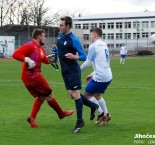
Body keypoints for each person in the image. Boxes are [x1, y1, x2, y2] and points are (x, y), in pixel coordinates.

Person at [12, 28, 74, 128]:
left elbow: (44, 60)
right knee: (49, 93)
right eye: (44, 36)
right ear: (39, 36)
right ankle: (61, 113)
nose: (45, 39)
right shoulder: (30, 45)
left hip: (30, 78)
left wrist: (51, 59)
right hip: (33, 77)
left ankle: (32, 118)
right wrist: (27, 59)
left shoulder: (40, 49)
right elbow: (15, 54)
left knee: (42, 96)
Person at [57, 16, 98, 133]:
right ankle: (93, 106)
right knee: (72, 94)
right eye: (59, 24)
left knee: (76, 95)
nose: (60, 27)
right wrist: (54, 55)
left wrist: (74, 56)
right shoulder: (60, 35)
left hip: (73, 70)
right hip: (64, 70)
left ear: (68, 26)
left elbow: (84, 56)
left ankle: (80, 121)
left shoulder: (74, 39)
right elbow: (60, 50)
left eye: (62, 25)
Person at [81, 27, 112, 125]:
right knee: (97, 95)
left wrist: (78, 71)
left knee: (86, 95)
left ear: (94, 35)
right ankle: (106, 115)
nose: (90, 37)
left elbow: (88, 62)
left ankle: (101, 114)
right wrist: (92, 74)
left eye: (90, 35)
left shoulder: (93, 46)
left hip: (100, 76)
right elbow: (104, 62)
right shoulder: (104, 44)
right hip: (108, 75)